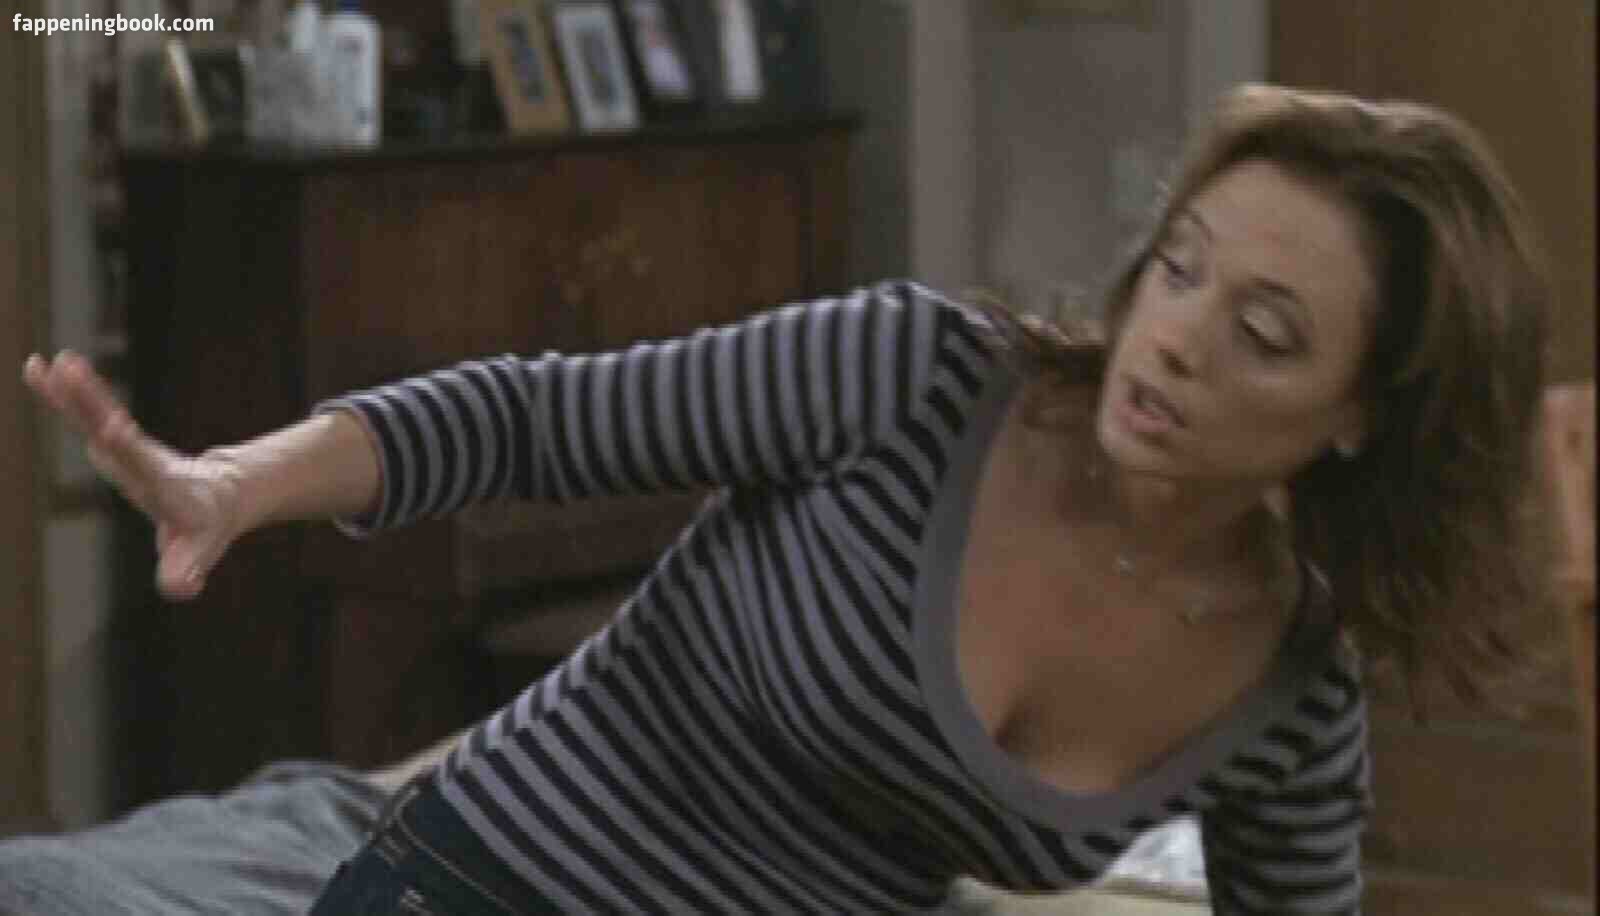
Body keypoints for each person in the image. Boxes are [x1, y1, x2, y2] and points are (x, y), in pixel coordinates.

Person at [23, 83, 1562, 914]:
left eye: (1265, 335)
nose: (1176, 336)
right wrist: (237, 484)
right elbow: (533, 420)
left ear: (1362, 419)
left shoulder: (1292, 693)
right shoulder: (917, 376)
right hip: (484, 886)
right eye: (1182, 266)